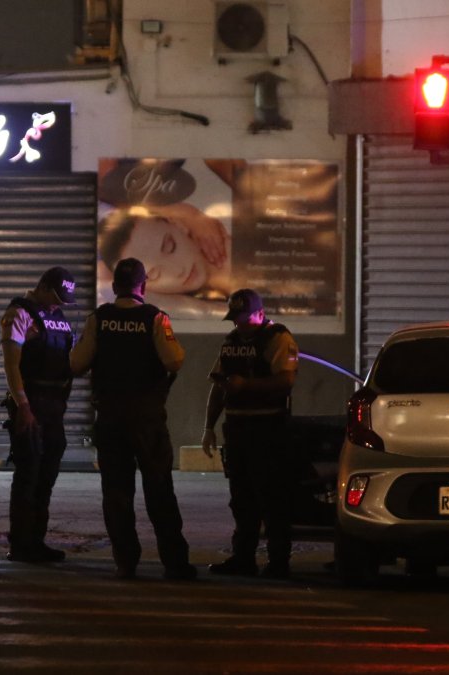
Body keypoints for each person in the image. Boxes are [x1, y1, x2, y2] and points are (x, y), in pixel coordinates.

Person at [70, 257, 198, 581]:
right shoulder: (155, 318)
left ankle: (125, 561)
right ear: (143, 286)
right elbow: (174, 361)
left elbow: (76, 364)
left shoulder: (99, 319)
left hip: (110, 417)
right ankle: (174, 563)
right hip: (146, 419)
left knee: (116, 492)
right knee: (160, 489)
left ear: (114, 287)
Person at [202, 288, 299, 579]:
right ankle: (243, 557)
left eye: (244, 318)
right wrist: (208, 427)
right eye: (235, 318)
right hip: (237, 429)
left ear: (260, 313)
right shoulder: (231, 341)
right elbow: (219, 386)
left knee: (272, 498)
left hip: (268, 428)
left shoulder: (277, 338)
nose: (238, 324)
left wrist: (247, 386)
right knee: (241, 498)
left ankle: (278, 562)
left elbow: (286, 381)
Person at [0, 266, 77, 563]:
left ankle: (37, 540)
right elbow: (11, 365)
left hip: (54, 407)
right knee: (29, 474)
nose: (59, 304)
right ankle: (21, 544)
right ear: (42, 287)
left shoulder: (58, 316)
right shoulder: (20, 313)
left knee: (47, 475)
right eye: (56, 297)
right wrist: (23, 406)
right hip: (30, 403)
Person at [97, 203, 231, 311]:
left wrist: (191, 214)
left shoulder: (227, 254)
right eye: (154, 274)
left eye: (170, 247)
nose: (178, 271)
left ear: (178, 225)